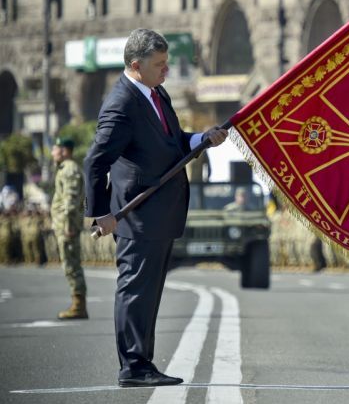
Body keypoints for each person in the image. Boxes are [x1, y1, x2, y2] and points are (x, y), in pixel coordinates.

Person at [84, 28, 228, 388]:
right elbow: (95, 162)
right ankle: (132, 366)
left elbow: (172, 142)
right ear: (136, 65)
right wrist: (101, 213)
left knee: (148, 294)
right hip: (136, 216)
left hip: (159, 215)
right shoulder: (122, 103)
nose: (166, 70)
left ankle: (142, 362)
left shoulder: (155, 92)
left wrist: (201, 140)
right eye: (159, 64)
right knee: (135, 291)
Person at [51, 137, 88, 319]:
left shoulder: (69, 169)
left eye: (55, 149)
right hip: (66, 225)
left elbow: (71, 200)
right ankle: (77, 303)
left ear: (64, 150)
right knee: (70, 264)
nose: (52, 153)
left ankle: (79, 306)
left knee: (71, 264)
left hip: (68, 227)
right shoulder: (64, 169)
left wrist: (68, 225)